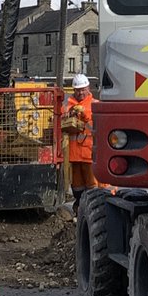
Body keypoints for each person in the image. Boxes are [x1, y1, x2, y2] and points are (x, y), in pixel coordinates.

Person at [62, 72, 96, 211]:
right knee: (77, 185)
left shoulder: (94, 104)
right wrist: (70, 114)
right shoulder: (68, 103)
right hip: (74, 154)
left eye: (83, 89)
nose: (80, 92)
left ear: (88, 89)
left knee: (92, 185)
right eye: (77, 90)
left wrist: (84, 114)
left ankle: (93, 208)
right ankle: (79, 209)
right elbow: (61, 119)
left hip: (89, 153)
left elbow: (96, 124)